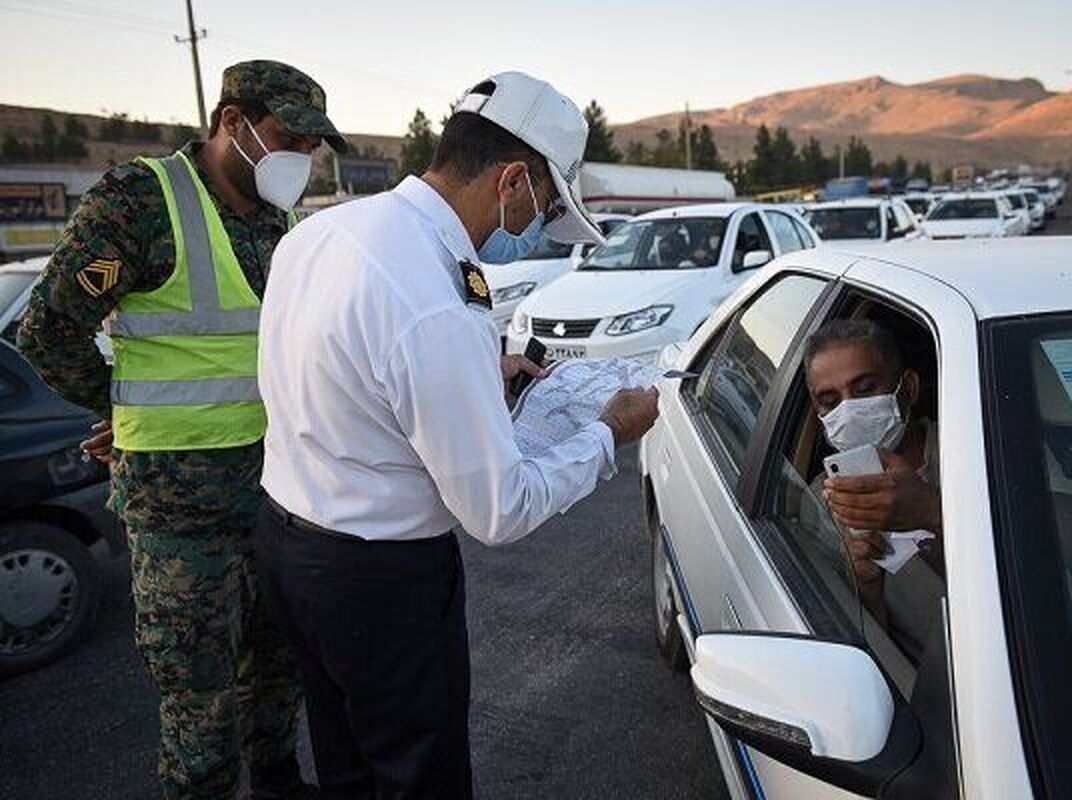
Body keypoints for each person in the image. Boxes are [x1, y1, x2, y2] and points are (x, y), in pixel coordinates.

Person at [253, 70, 659, 798]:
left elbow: (344, 374)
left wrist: (472, 376)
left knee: (345, 758)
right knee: (417, 776)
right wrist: (607, 432)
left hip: (291, 545)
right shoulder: (436, 299)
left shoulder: (327, 230)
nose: (535, 228)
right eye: (544, 207)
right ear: (512, 181)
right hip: (380, 585)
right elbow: (498, 511)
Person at [17, 60, 345, 799]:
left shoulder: (283, 220)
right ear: (233, 122)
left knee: (280, 664)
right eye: (289, 136)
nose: (303, 156)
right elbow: (47, 331)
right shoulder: (140, 200)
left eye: (312, 146)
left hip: (281, 493)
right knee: (199, 698)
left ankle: (280, 779)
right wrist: (119, 410)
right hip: (180, 512)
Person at [803, 319, 942, 651]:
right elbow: (861, 654)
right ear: (818, 413)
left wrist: (934, 512)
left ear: (907, 387)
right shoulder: (825, 500)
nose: (848, 411)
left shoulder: (975, 442)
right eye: (830, 400)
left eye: (865, 389)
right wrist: (866, 584)